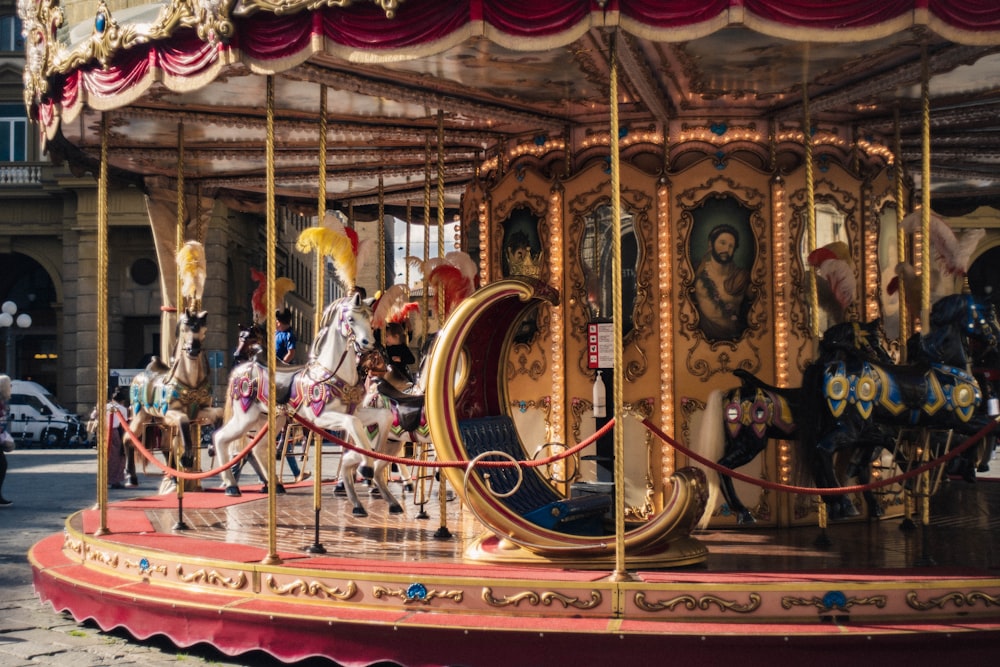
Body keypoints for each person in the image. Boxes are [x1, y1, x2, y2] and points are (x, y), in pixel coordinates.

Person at [693, 223, 751, 340]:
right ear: (711, 244)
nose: (726, 249)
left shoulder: (741, 277)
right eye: (722, 243)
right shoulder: (696, 273)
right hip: (701, 341)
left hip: (737, 342)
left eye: (731, 246)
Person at [0, 374, 13, 506]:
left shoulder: (3, 401)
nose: (11, 387)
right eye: (9, 385)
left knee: (2, 465)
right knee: (2, 465)